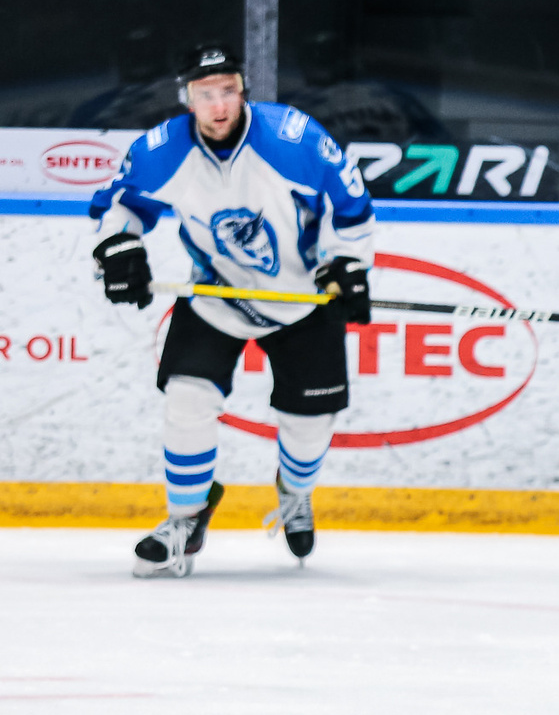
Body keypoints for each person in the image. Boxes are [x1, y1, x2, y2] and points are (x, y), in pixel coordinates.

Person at [89, 42, 374, 576]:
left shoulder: (295, 140)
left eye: (228, 91)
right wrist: (122, 248)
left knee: (309, 424)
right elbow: (121, 205)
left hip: (303, 302)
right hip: (214, 297)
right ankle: (185, 520)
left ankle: (295, 492)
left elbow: (353, 208)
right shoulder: (160, 152)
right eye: (205, 95)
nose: (218, 105)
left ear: (243, 91)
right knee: (186, 402)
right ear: (187, 99)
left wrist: (349, 265)